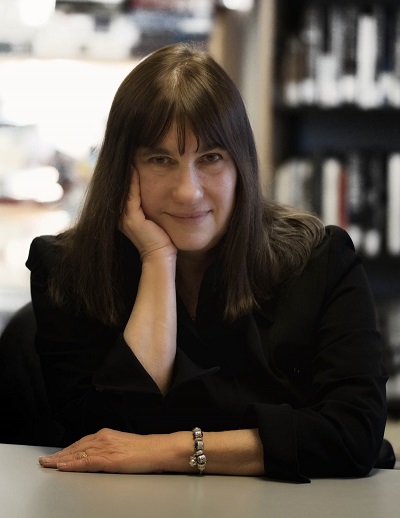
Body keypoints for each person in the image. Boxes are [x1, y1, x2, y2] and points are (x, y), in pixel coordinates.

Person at [27, 43, 386, 483]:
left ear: (241, 166)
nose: (189, 191)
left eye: (210, 158)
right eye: (161, 160)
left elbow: (353, 435)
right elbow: (104, 437)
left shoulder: (319, 260)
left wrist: (172, 448)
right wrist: (157, 260)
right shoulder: (64, 269)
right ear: (122, 171)